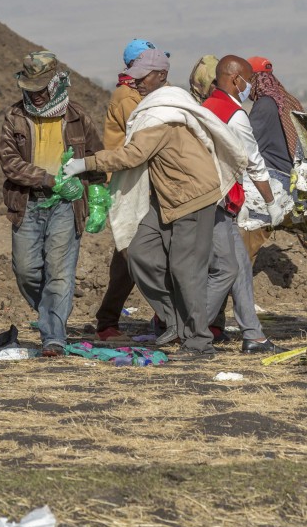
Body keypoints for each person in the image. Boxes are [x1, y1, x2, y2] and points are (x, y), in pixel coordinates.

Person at [63, 49, 247, 358]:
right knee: (138, 251)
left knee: (186, 269)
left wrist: (86, 163)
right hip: (166, 197)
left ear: (160, 76)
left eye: (142, 78)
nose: (136, 84)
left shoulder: (164, 114)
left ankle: (199, 341)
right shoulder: (159, 108)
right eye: (133, 78)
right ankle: (174, 320)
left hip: (191, 197)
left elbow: (132, 154)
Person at [0, 52, 105, 356]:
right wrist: (49, 180)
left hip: (66, 206)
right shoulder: (15, 117)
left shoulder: (77, 116)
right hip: (27, 204)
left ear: (57, 82)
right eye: (31, 88)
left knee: (59, 271)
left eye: (41, 88)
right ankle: (50, 312)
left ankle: (54, 336)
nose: (36, 95)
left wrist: (97, 197)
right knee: (26, 270)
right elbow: (9, 162)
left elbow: (95, 158)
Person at [200, 55, 286, 354]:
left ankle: (254, 335)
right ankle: (191, 331)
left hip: (213, 199)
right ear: (236, 80)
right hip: (216, 202)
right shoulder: (234, 116)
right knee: (225, 269)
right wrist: (271, 202)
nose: (250, 86)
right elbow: (255, 163)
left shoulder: (207, 107)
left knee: (240, 269)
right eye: (247, 80)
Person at [94, 39, 169, 343]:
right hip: (129, 184)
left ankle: (154, 317)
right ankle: (113, 321)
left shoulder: (136, 93)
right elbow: (147, 135)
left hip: (142, 182)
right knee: (132, 255)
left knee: (134, 254)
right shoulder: (129, 97)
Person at [240, 56, 307, 275]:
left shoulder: (263, 105)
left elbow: (247, 145)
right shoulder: (287, 100)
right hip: (296, 184)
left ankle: (235, 290)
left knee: (250, 241)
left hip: (272, 187)